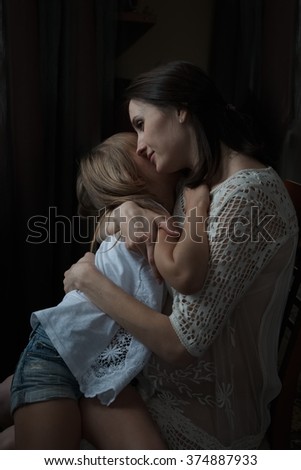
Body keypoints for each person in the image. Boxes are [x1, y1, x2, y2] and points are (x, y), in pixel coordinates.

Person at [63, 60, 299, 450]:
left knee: (43, 418)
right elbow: (112, 211)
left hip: (200, 428)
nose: (138, 144)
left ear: (181, 108)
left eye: (140, 123)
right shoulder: (194, 184)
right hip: (147, 391)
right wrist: (123, 212)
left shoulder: (247, 197)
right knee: (35, 418)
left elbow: (180, 345)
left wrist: (90, 280)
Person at [9, 131, 210, 449]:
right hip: (55, 357)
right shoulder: (152, 220)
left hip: (98, 365)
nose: (147, 144)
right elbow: (185, 274)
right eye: (141, 152)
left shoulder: (141, 213)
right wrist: (199, 206)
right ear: (130, 177)